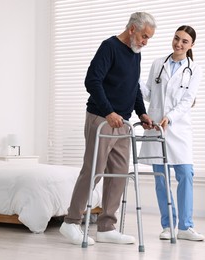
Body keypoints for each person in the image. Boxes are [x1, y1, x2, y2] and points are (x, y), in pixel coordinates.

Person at [59, 12, 156, 245]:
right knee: (93, 171)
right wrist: (108, 111)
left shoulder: (135, 54)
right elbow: (92, 80)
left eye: (148, 39)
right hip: (101, 119)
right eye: (144, 36)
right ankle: (70, 222)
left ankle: (106, 227)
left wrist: (141, 113)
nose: (145, 42)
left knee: (119, 174)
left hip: (122, 123)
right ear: (132, 29)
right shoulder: (109, 47)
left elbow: (133, 88)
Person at [139, 25, 205, 241]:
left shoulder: (194, 69)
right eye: (176, 38)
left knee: (185, 175)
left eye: (184, 41)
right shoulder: (159, 63)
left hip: (179, 127)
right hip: (156, 126)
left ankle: (186, 227)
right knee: (161, 179)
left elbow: (188, 100)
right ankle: (168, 226)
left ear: (191, 45)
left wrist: (172, 116)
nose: (178, 43)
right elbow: (149, 93)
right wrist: (135, 81)